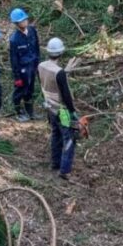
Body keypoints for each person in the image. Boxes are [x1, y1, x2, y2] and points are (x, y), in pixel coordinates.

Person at [38, 36, 79, 180]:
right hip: (62, 112)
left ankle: (55, 163)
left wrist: (65, 72)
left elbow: (49, 83)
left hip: (50, 108)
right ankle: (64, 170)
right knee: (69, 138)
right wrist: (73, 112)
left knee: (56, 134)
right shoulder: (59, 73)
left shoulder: (41, 66)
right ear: (61, 53)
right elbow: (66, 95)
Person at [8, 7, 40, 122]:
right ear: (17, 24)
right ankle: (18, 112)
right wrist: (17, 76)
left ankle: (30, 111)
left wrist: (37, 63)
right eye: (22, 21)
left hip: (32, 66)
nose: (25, 22)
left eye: (25, 19)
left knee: (30, 90)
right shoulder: (14, 39)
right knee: (20, 91)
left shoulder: (32, 31)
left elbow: (36, 48)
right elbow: (14, 59)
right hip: (22, 70)